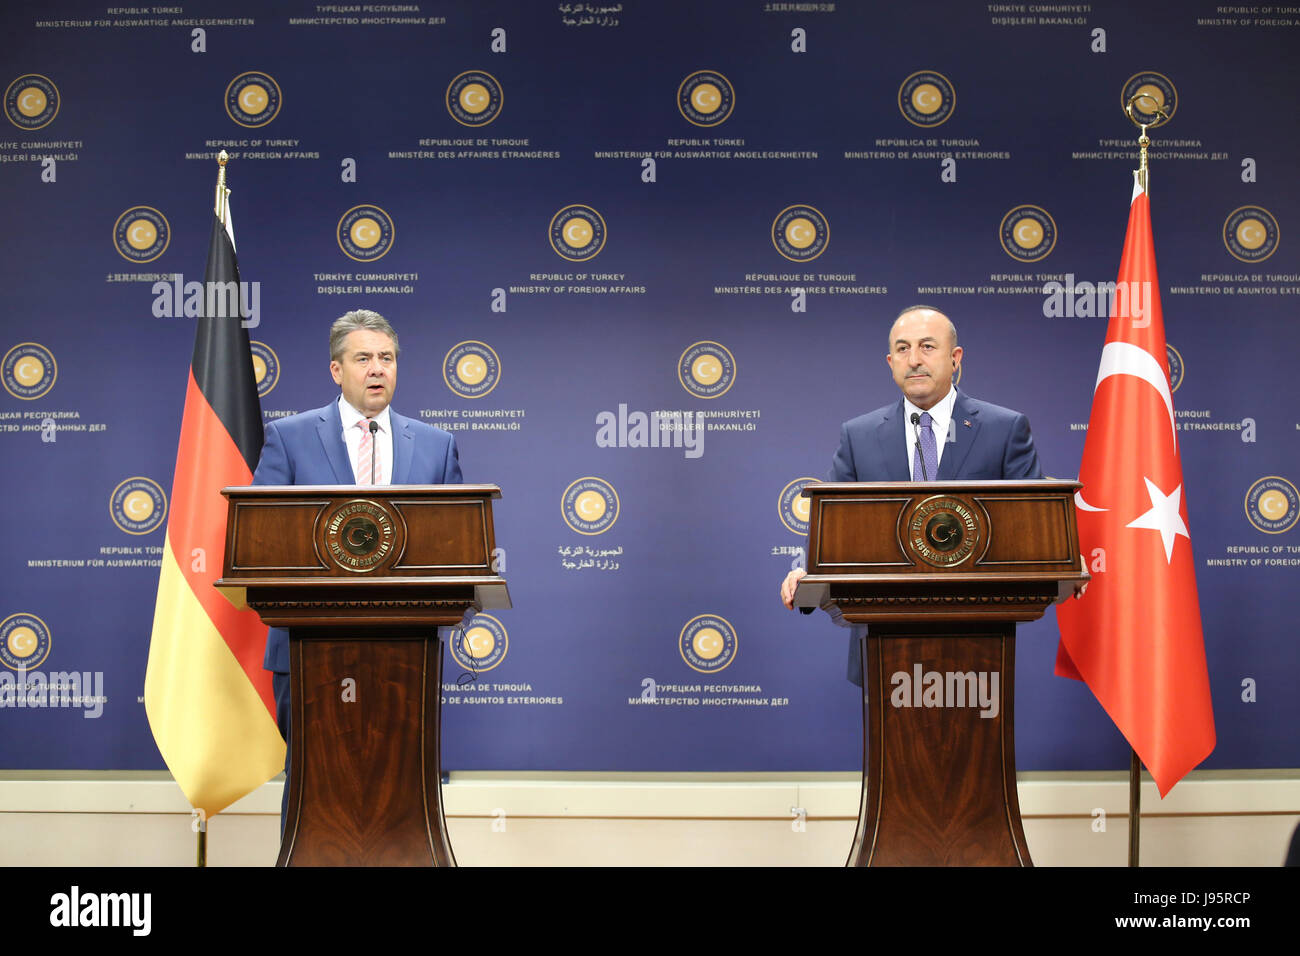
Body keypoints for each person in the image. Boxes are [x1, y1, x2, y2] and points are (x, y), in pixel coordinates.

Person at [251, 308, 463, 822]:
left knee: (401, 786)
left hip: (404, 650)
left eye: (386, 358)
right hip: (309, 648)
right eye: (363, 358)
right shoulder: (289, 437)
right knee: (314, 784)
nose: (377, 369)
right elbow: (260, 540)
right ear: (336, 370)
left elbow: (456, 547)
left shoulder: (437, 446)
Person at [779, 305, 1042, 684]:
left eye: (927, 347)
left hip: (977, 652)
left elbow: (1030, 530)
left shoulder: (1004, 429)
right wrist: (808, 570)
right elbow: (832, 532)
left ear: (955, 358)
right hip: (884, 650)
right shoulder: (859, 435)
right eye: (902, 349)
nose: (914, 360)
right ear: (890, 362)